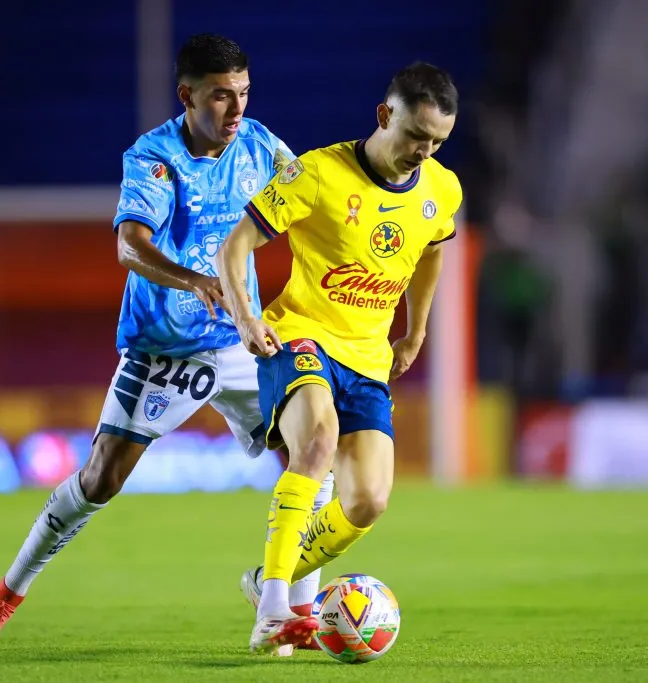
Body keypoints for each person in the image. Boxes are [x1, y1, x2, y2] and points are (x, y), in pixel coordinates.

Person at [0, 34, 333, 652]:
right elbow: (129, 245)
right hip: (163, 353)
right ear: (186, 96)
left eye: (243, 93)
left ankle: (295, 608)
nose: (235, 109)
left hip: (242, 340)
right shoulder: (154, 158)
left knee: (317, 452)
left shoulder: (262, 146)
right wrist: (196, 280)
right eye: (219, 96)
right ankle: (3, 598)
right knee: (100, 480)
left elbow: (315, 197)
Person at [217, 61, 462, 653]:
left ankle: (265, 578)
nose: (423, 152)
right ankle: (275, 611)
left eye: (436, 142)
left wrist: (416, 330)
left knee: (368, 501)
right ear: (385, 116)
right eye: (414, 136)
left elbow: (431, 250)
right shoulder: (318, 173)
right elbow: (236, 245)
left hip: (368, 358)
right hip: (299, 336)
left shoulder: (441, 188)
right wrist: (247, 319)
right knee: (318, 443)